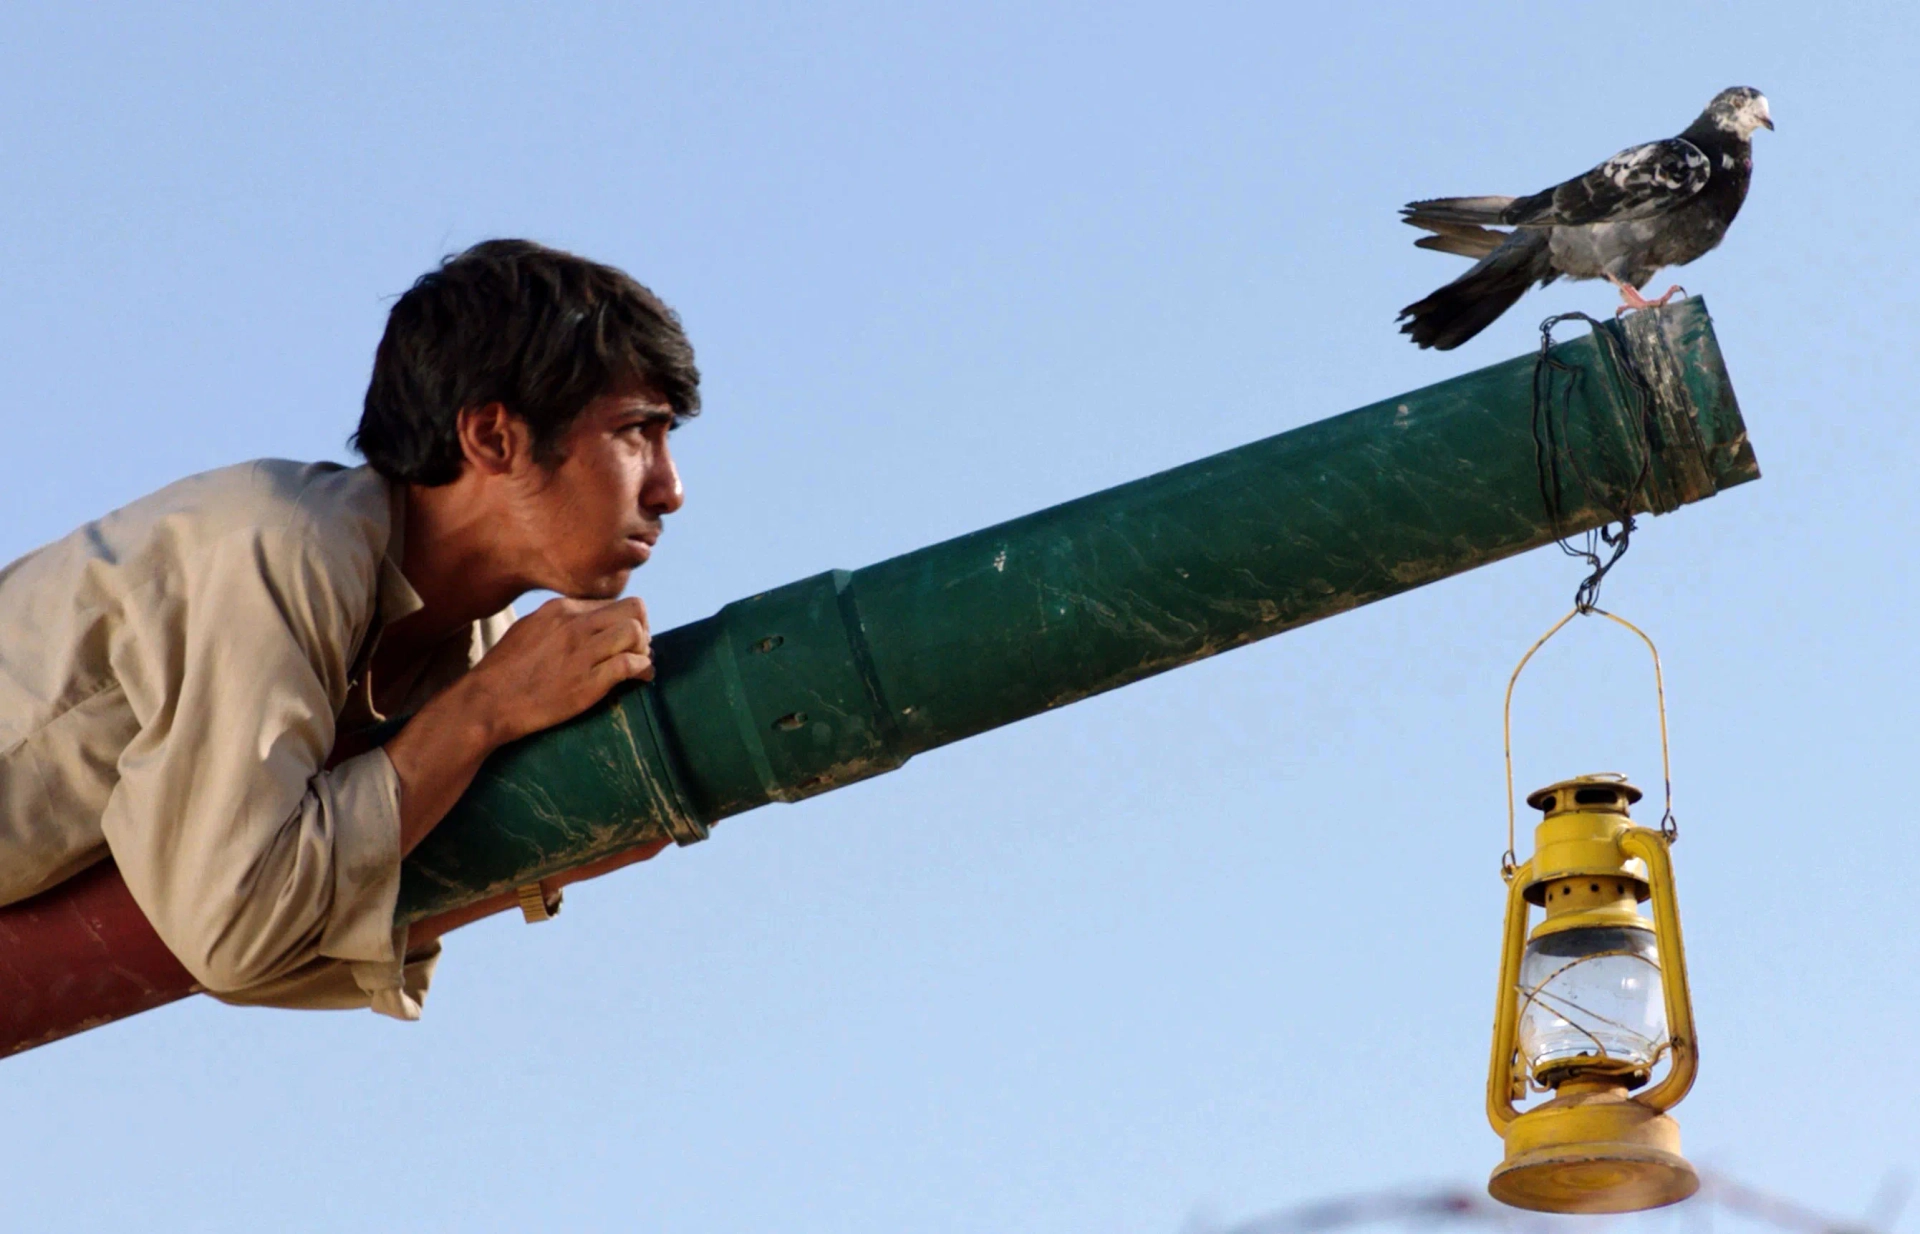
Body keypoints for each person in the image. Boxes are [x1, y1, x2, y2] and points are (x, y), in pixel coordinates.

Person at [0, 238, 696, 1020]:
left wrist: (552, 861)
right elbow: (234, 931)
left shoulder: (472, 646)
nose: (670, 489)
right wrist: (484, 712)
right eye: (637, 432)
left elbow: (268, 950)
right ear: (494, 438)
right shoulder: (284, 545)